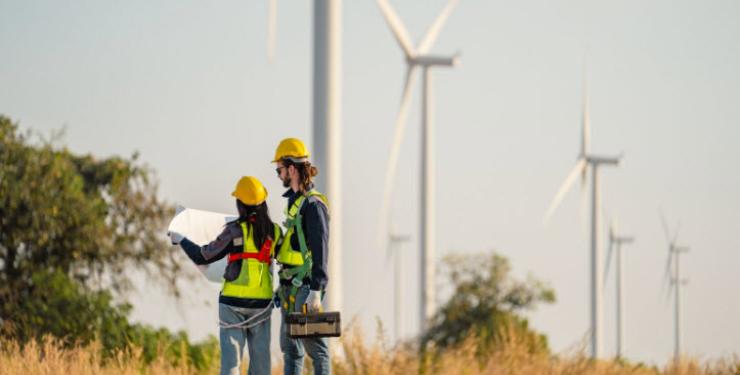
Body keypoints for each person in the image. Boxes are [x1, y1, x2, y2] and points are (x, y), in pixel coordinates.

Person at [169, 176, 280, 375]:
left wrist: (181, 238)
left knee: (231, 366)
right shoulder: (275, 232)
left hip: (232, 305)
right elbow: (288, 261)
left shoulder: (233, 231)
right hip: (261, 306)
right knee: (261, 367)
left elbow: (203, 256)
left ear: (240, 204)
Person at [272, 138, 332, 375]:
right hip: (289, 286)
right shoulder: (295, 203)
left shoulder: (313, 205)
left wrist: (317, 290)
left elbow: (321, 248)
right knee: (291, 349)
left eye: (280, 170)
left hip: (306, 287)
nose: (278, 175)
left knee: (316, 350)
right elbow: (294, 245)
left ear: (292, 169)